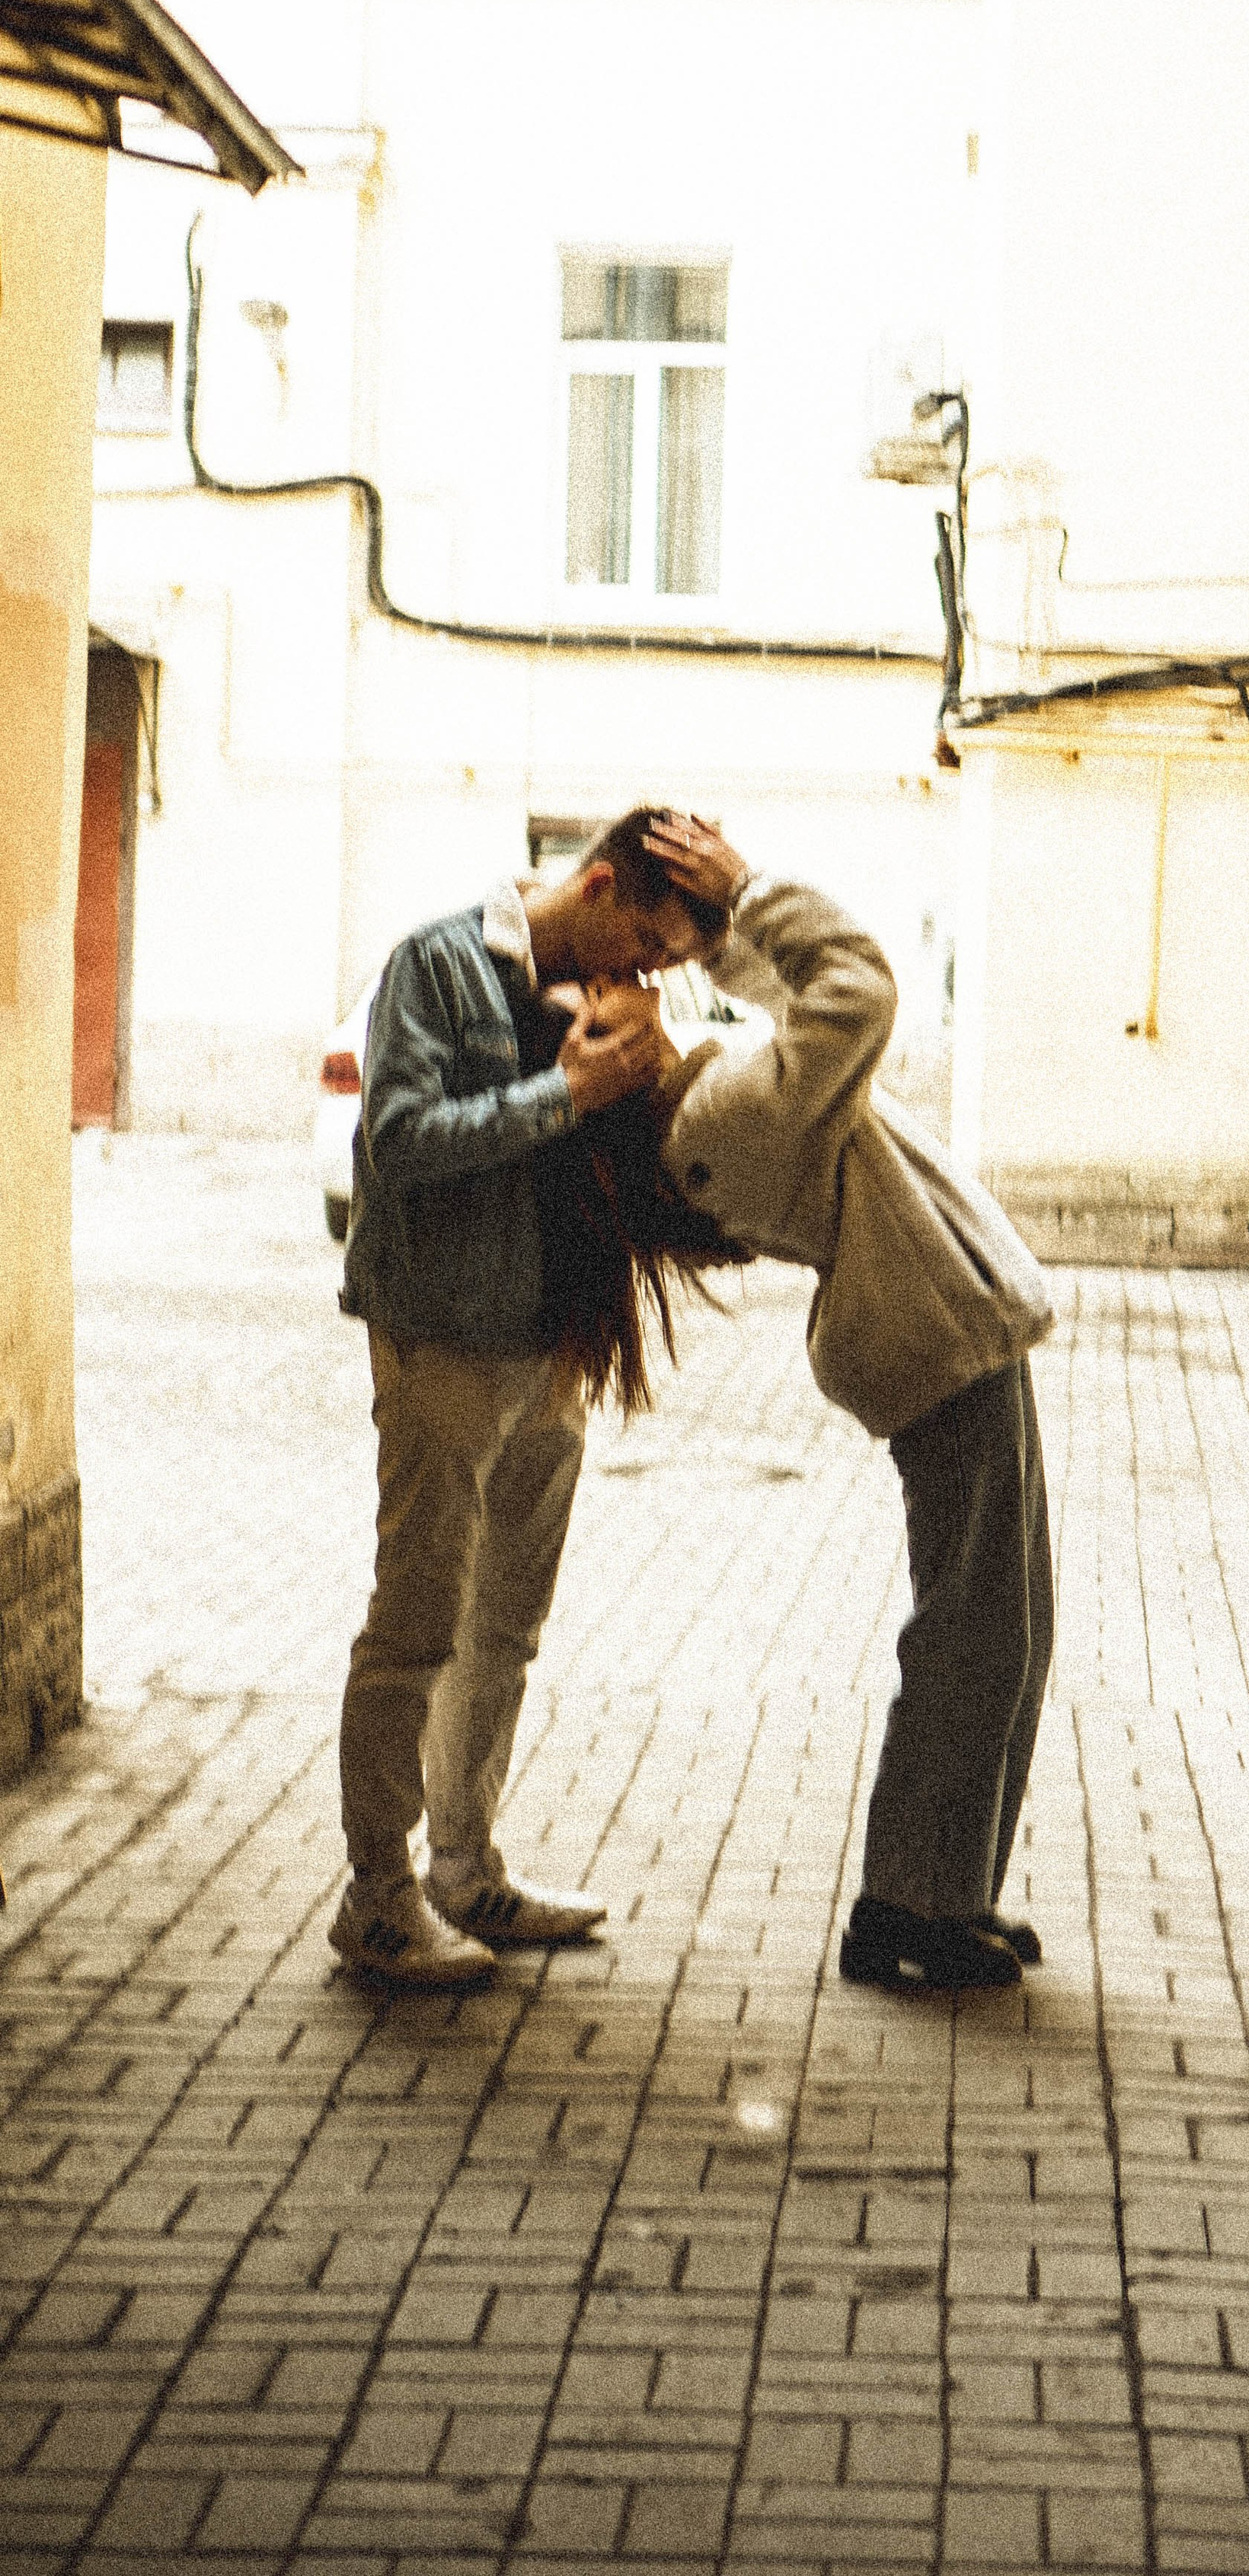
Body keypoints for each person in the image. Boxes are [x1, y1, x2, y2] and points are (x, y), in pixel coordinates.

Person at [581, 812, 1057, 1993]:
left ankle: (951, 1891)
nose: (623, 985)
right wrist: (746, 891)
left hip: (948, 1338)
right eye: (593, 1009)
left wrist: (718, 938)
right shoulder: (710, 1126)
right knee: (970, 1630)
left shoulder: (704, 1097)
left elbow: (798, 1016)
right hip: (933, 1346)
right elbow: (853, 995)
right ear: (606, 1070)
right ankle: (906, 1905)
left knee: (1009, 1623)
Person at [329, 810, 720, 1990]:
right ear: (597, 884)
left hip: (549, 1349)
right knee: (416, 1623)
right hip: (442, 1340)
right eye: (646, 942)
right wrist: (566, 1090)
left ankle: (463, 1864)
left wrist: (641, 1088)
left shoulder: (591, 999)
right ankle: (376, 1896)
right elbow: (398, 1143)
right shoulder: (436, 963)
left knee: (505, 1623)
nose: (646, 973)